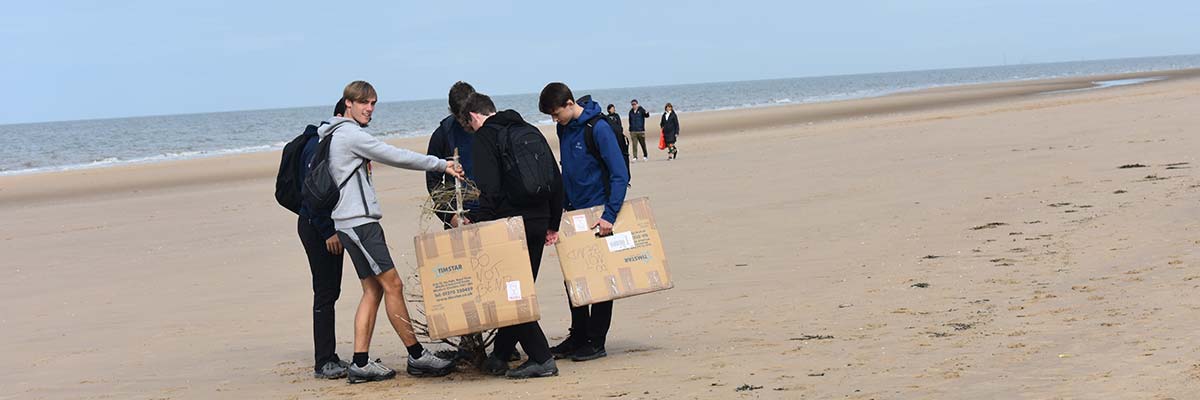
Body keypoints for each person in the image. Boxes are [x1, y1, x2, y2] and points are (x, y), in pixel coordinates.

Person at [318, 81, 463, 383]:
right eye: (364, 103)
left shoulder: (335, 134)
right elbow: (394, 155)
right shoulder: (348, 135)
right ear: (348, 103)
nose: (369, 109)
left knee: (373, 290)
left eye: (373, 103)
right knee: (392, 285)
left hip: (350, 222)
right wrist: (441, 165)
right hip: (359, 222)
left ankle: (360, 362)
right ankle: (417, 356)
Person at [452, 92, 563, 379]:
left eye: (471, 124)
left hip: (511, 226)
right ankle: (500, 355)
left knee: (512, 295)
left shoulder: (485, 137)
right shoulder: (528, 129)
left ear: (474, 117)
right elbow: (555, 177)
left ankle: (542, 358)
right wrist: (554, 222)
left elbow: (490, 190)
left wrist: (481, 229)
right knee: (520, 288)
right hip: (540, 220)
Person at [538, 82, 629, 362]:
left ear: (569, 103)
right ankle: (578, 335)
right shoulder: (564, 129)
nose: (555, 120)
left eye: (556, 114)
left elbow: (619, 174)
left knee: (601, 279)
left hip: (600, 213)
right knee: (573, 278)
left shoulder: (598, 128)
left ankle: (596, 341)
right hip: (573, 214)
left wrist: (609, 216)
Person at [296, 99, 350, 379]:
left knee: (331, 291)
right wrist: (327, 230)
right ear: (341, 115)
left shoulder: (323, 140)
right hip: (317, 227)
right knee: (326, 293)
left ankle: (329, 355)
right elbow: (312, 192)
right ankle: (324, 361)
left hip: (315, 223)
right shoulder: (322, 144)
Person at [425, 81, 479, 228]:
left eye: (468, 116)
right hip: (460, 214)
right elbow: (433, 182)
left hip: (494, 213)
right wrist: (451, 216)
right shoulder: (442, 135)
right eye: (461, 117)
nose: (466, 122)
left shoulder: (491, 129)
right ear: (451, 111)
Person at [605, 104, 631, 183]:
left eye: (614, 108)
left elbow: (620, 125)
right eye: (612, 109)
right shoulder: (607, 117)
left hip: (619, 136)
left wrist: (619, 131)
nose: (613, 110)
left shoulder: (617, 116)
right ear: (609, 110)